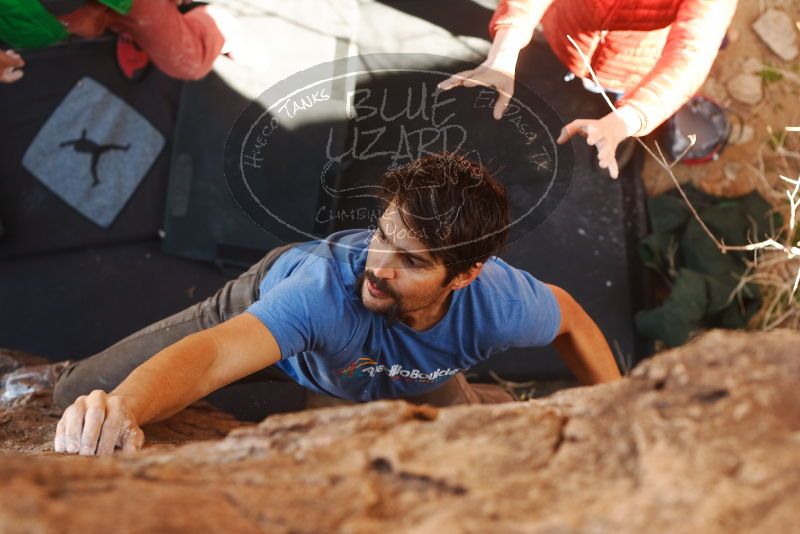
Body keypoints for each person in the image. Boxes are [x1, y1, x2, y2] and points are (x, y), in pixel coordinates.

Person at [53, 153, 621, 456]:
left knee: (472, 432)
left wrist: (619, 406)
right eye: (382, 236)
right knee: (73, 396)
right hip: (271, 321)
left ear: (467, 275)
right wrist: (123, 407)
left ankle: (483, 398)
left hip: (408, 371)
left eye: (413, 262)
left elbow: (570, 316)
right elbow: (208, 358)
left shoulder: (500, 302)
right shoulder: (324, 292)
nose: (379, 268)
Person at [438, 0, 738, 178]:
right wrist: (507, 48)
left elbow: (689, 54)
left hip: (630, 68)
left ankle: (615, 123)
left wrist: (626, 121)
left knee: (618, 101)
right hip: (565, 29)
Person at [0, 0, 231, 81]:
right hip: (61, 15)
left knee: (188, 61)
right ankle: (130, 29)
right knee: (99, 21)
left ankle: (216, 26)